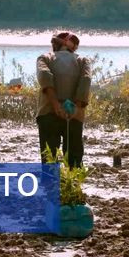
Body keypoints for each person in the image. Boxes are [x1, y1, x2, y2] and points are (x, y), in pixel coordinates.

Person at [36, 31, 91, 168]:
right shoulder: (83, 61)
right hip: (74, 115)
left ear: (55, 44)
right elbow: (86, 80)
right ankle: (72, 187)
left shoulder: (45, 58)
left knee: (49, 158)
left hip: (48, 113)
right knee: (74, 160)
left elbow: (44, 75)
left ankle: (51, 188)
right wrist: (76, 108)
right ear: (73, 47)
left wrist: (55, 105)